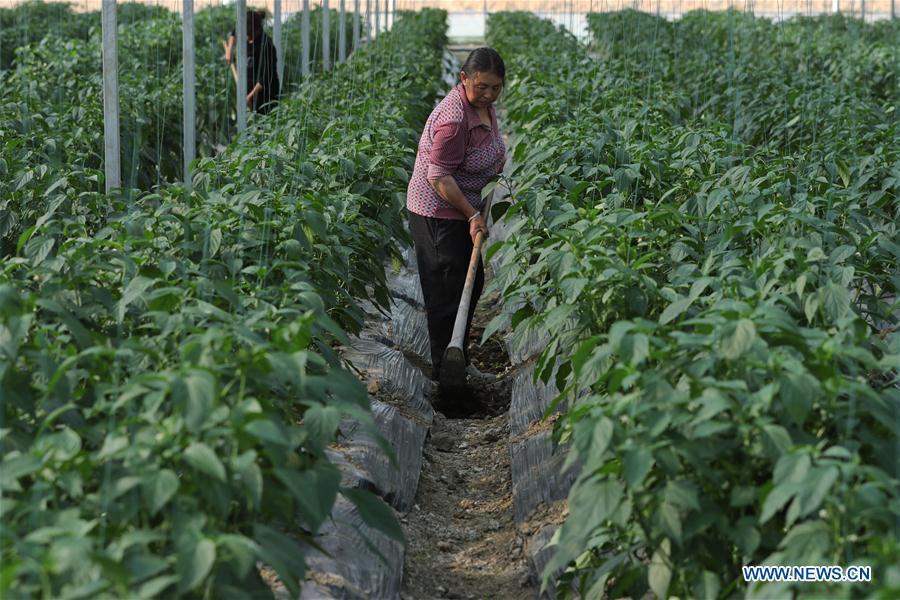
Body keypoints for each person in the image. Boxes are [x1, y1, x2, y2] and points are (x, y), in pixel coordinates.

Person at [406, 47, 507, 386]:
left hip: (464, 208)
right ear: (464, 79)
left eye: (496, 87)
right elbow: (439, 177)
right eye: (482, 87)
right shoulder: (452, 119)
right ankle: (445, 376)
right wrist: (470, 214)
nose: (489, 94)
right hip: (439, 211)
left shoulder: (484, 108)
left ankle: (458, 358)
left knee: (472, 280)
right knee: (447, 292)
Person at [225, 10, 280, 115]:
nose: (247, 38)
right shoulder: (248, 31)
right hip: (248, 93)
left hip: (265, 97)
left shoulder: (266, 46)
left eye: (249, 35)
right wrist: (229, 50)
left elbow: (265, 78)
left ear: (256, 30)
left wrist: (249, 97)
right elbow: (234, 31)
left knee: (263, 125)